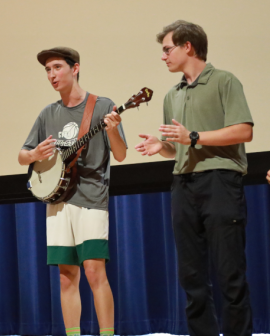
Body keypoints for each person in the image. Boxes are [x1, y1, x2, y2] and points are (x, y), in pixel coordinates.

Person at [135, 20, 254, 336]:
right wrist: (161, 146)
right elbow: (178, 148)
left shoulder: (224, 81)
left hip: (220, 182)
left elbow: (244, 130)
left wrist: (195, 136)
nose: (164, 57)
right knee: (191, 275)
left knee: (230, 273)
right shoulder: (171, 95)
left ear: (188, 46)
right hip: (183, 185)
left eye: (167, 49)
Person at [18, 47, 127, 336]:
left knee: (94, 271)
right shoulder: (48, 113)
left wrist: (113, 130)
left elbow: (120, 155)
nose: (52, 75)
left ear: (75, 68)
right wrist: (34, 155)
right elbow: (22, 155)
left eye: (57, 67)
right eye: (48, 70)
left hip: (91, 198)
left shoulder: (102, 106)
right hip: (57, 202)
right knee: (66, 277)